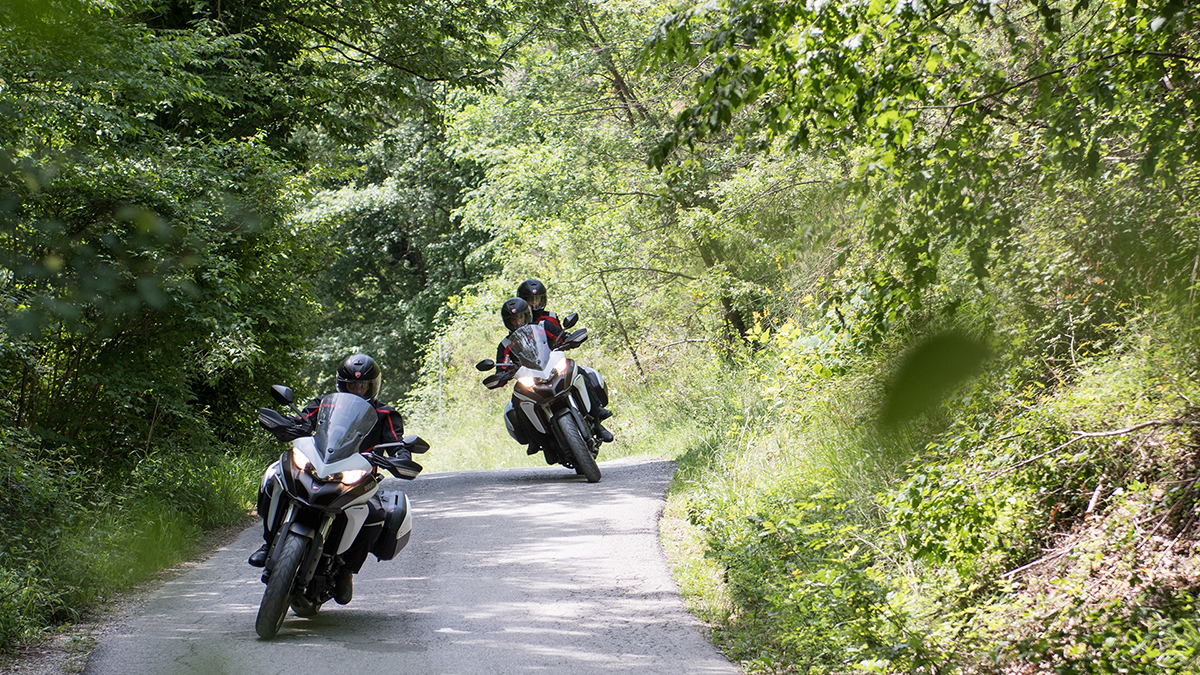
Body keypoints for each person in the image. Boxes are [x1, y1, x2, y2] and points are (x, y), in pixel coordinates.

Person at [248, 353, 406, 605]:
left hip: (359, 476)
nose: (357, 389)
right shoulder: (325, 404)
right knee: (273, 476)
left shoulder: (385, 413)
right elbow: (301, 422)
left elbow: (397, 444)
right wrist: (283, 425)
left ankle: (346, 570)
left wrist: (400, 456)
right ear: (341, 385)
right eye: (352, 385)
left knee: (375, 513)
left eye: (363, 385)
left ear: (373, 385)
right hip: (319, 467)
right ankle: (268, 543)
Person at [515, 279, 613, 437]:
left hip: (554, 362)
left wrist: (569, 339)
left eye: (537, 299)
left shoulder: (550, 318)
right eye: (529, 300)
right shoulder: (517, 325)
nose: (534, 304)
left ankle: (596, 414)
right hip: (533, 371)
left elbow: (559, 335)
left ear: (543, 299)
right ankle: (535, 437)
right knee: (518, 400)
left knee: (581, 373)